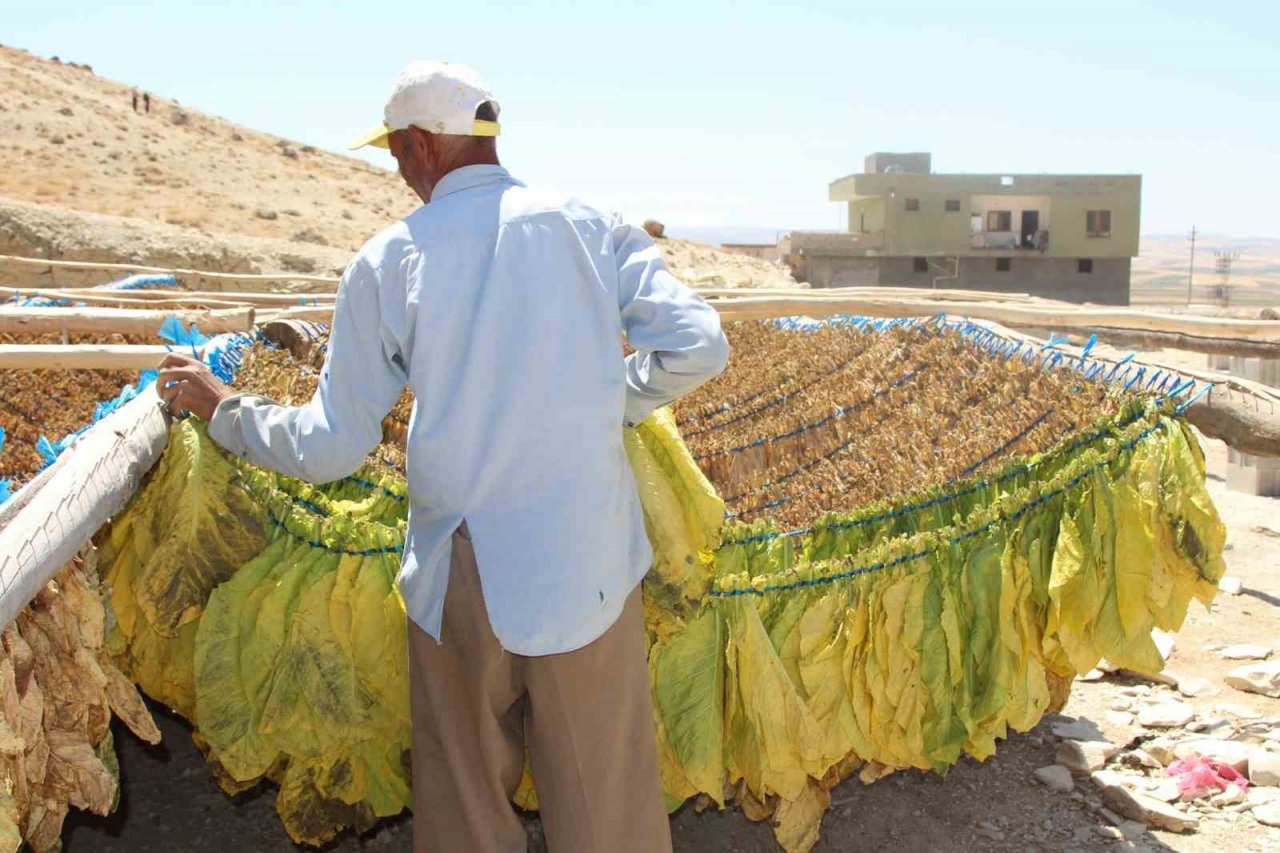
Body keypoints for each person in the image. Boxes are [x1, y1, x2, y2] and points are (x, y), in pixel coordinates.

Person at [157, 60, 729, 853]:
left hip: (464, 571)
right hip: (587, 563)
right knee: (607, 816)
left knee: (465, 814)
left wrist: (227, 412)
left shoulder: (390, 259)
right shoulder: (589, 225)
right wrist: (612, 398)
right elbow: (699, 344)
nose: (398, 170)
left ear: (424, 144)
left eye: (396, 151)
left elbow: (333, 443)